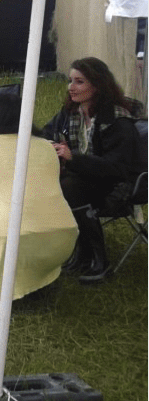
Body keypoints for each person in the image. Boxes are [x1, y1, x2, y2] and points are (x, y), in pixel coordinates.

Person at [0, 93, 77, 303]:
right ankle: (37, 281)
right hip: (62, 237)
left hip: (7, 244)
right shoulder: (48, 148)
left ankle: (1, 281)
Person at [41, 57, 143, 281]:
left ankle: (98, 259)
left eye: (79, 82)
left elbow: (118, 168)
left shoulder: (117, 120)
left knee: (69, 186)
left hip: (118, 185)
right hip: (85, 179)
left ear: (97, 85)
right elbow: (44, 134)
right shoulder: (70, 114)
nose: (71, 87)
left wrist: (73, 158)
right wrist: (49, 145)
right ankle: (83, 254)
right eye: (70, 81)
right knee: (61, 184)